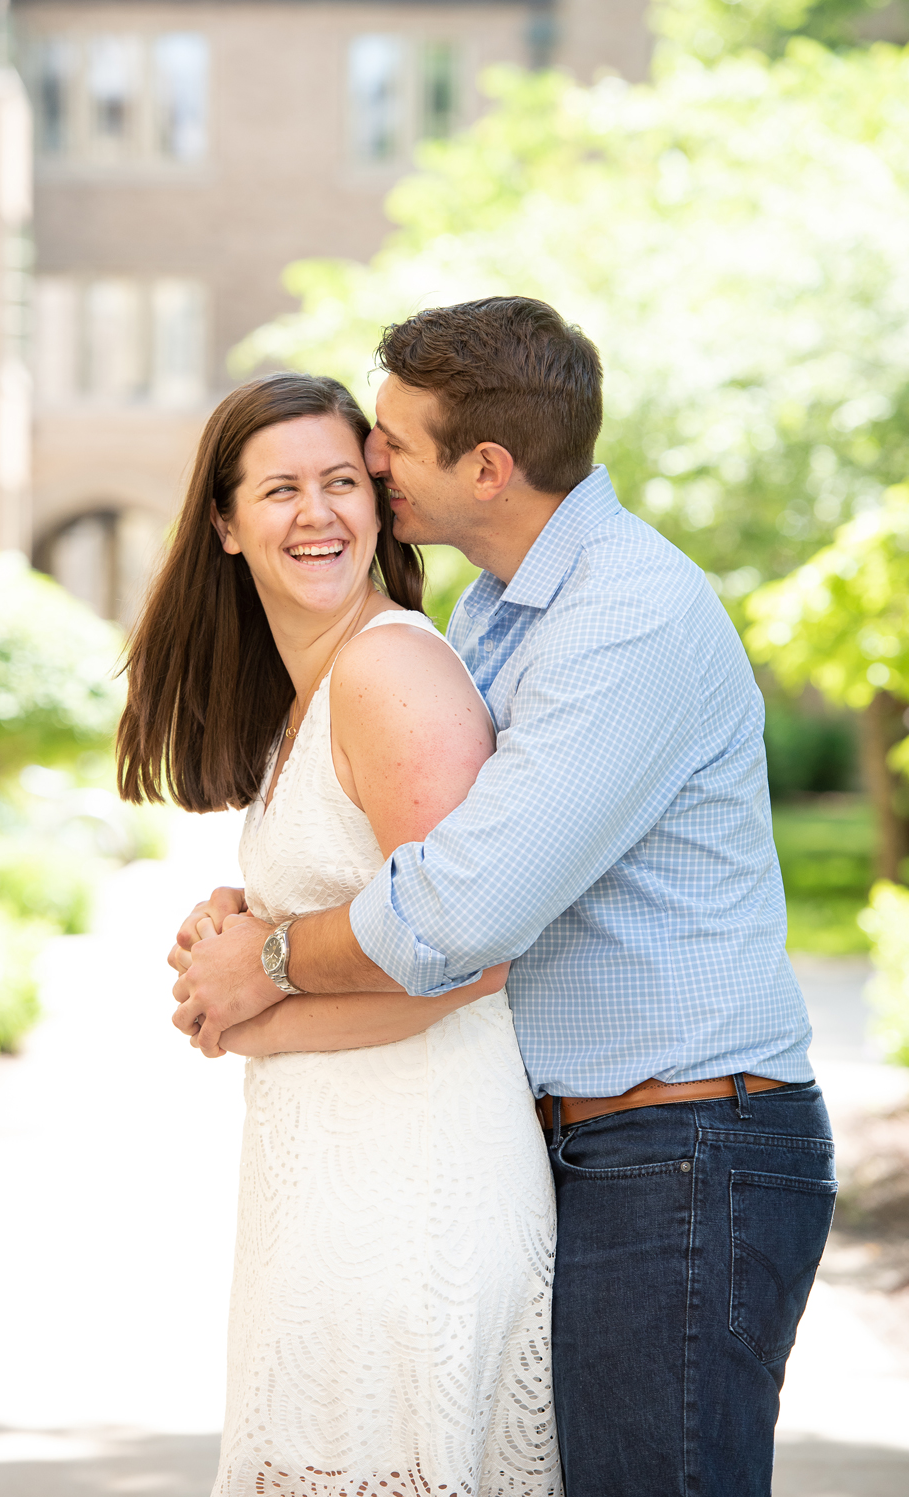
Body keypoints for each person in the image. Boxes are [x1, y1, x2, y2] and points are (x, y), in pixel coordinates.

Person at [168, 299, 829, 1497]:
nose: (368, 466)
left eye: (387, 443)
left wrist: (260, 968)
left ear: (484, 466)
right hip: (601, 1141)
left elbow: (459, 914)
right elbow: (411, 860)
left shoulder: (621, 619)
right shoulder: (502, 612)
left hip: (686, 1144)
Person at [118, 371, 558, 1493]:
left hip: (414, 1186)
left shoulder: (389, 671)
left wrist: (258, 1012)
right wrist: (247, 921)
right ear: (222, 524)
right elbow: (366, 897)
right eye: (278, 490)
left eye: (338, 483)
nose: (315, 513)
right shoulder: (314, 686)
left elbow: (475, 955)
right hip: (330, 1188)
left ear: (374, 503)